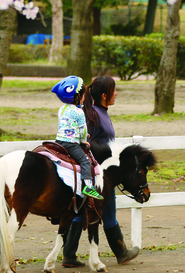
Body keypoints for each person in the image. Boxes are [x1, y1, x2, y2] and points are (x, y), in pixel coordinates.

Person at [61, 76, 140, 268]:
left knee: (81, 213)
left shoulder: (98, 111)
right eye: (114, 91)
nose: (116, 94)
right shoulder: (93, 115)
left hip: (98, 171)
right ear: (104, 95)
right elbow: (88, 144)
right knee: (108, 214)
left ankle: (69, 255)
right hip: (100, 174)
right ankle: (121, 253)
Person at [51, 75, 103, 200]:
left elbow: (68, 126)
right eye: (83, 94)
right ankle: (88, 187)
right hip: (71, 143)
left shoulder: (62, 109)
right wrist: (84, 141)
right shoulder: (79, 111)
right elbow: (83, 129)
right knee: (85, 161)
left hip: (59, 141)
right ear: (78, 96)